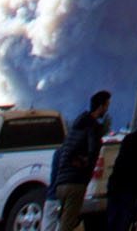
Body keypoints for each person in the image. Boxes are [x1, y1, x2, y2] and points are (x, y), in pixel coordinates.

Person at [53, 93, 113, 231]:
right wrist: (86, 163)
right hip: (75, 183)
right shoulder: (92, 127)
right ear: (100, 107)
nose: (107, 110)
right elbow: (92, 151)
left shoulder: (76, 126)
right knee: (66, 225)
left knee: (65, 221)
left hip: (61, 181)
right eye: (106, 106)